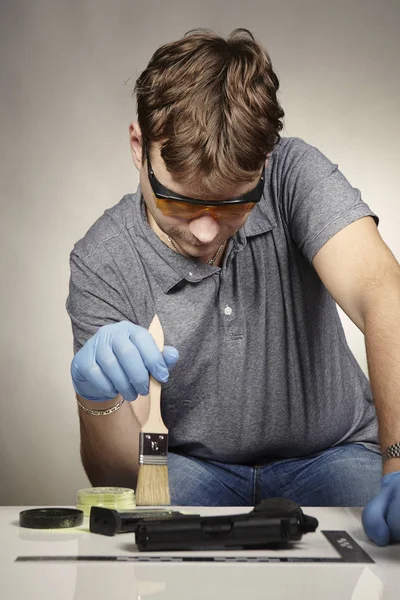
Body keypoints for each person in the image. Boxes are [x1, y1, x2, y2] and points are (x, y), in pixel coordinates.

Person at [66, 29, 400, 545]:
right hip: (194, 471)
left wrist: (399, 462)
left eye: (232, 204)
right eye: (179, 202)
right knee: (144, 542)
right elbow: (116, 478)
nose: (204, 231)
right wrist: (97, 400)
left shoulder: (293, 174)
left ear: (264, 163)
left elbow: (384, 295)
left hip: (334, 454)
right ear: (140, 146)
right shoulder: (102, 261)